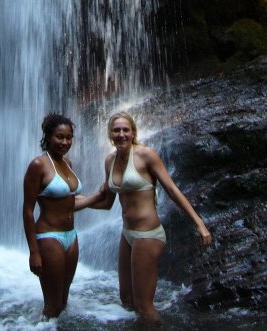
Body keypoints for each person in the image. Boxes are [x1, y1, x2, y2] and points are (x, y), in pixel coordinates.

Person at [91, 111, 212, 323]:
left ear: (133, 132)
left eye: (125, 130)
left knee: (144, 307)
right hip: (127, 233)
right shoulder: (110, 160)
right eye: (116, 130)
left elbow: (172, 190)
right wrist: (71, 204)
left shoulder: (146, 155)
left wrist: (199, 223)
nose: (121, 134)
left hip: (148, 234)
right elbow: (107, 201)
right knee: (126, 299)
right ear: (110, 134)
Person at [22, 112, 102, 319]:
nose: (64, 142)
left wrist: (99, 196)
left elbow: (69, 202)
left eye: (68, 137)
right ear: (48, 137)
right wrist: (34, 252)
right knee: (52, 306)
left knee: (63, 302)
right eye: (59, 137)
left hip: (71, 237)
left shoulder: (68, 164)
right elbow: (28, 210)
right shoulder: (38, 165)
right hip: (49, 238)